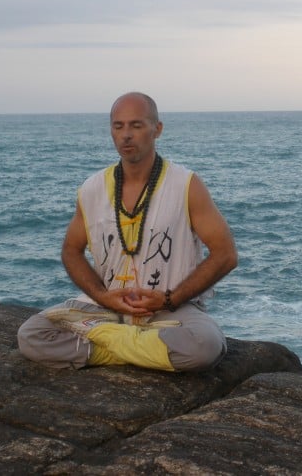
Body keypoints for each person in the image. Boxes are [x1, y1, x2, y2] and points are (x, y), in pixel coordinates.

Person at [17, 92, 237, 372]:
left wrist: (170, 298)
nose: (125, 135)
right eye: (118, 126)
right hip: (107, 308)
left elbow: (226, 254)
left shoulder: (186, 185)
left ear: (157, 129)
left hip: (170, 310)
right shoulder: (92, 189)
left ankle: (102, 346)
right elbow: (71, 250)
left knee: (204, 346)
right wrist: (103, 296)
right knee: (31, 336)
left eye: (136, 125)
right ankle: (136, 348)